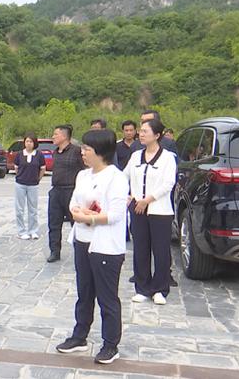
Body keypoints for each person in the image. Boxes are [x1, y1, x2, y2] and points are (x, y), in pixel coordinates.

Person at [55, 129, 128, 365]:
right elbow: (73, 204)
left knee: (107, 298)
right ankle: (80, 336)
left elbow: (116, 214)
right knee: (84, 293)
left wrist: (89, 217)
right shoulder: (83, 176)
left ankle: (110, 344)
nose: (83, 152)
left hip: (105, 246)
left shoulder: (116, 178)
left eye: (87, 149)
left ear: (101, 152)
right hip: (82, 241)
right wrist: (81, 214)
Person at [124, 119, 176, 306]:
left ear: (157, 135)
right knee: (140, 249)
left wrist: (148, 200)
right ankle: (142, 287)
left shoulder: (168, 157)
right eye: (141, 131)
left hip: (159, 211)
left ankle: (160, 289)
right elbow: (124, 176)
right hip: (137, 209)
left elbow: (168, 183)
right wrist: (128, 195)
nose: (141, 134)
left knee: (161, 251)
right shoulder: (136, 155)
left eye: (145, 131)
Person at [47, 124, 86, 263]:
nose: (53, 136)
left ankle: (80, 250)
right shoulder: (55, 152)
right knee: (53, 223)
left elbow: (84, 171)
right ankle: (54, 251)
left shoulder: (76, 151)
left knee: (75, 222)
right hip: (56, 191)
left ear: (64, 136)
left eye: (55, 134)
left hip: (71, 191)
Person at [14, 133, 46, 240]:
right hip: (20, 184)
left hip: (33, 185)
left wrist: (38, 179)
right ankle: (21, 231)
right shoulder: (19, 154)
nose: (28, 143)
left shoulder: (39, 155)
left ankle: (33, 230)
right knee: (19, 209)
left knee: (33, 209)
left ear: (34, 143)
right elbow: (16, 168)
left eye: (31, 141)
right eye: (27, 141)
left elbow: (42, 169)